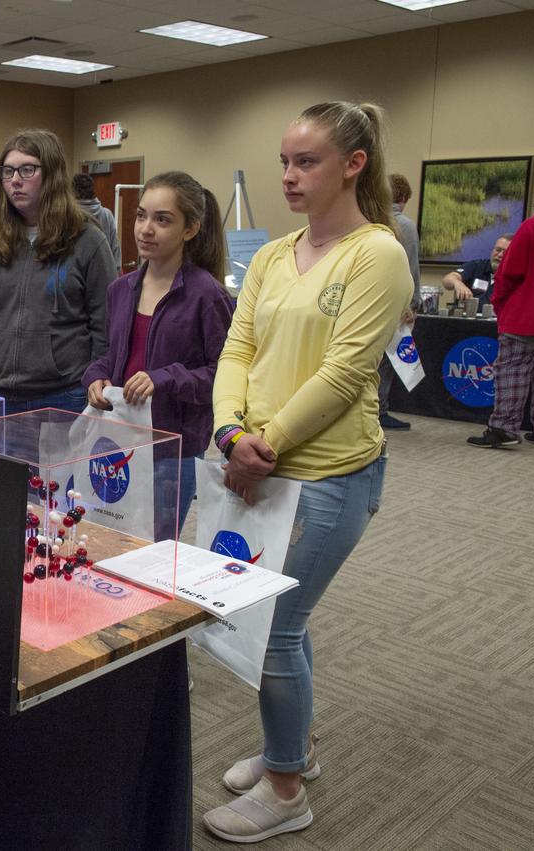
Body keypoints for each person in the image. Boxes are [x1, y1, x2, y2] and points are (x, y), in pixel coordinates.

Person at [201, 101, 412, 843]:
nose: (289, 176)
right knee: (285, 621)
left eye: (306, 162)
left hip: (328, 473)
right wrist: (230, 432)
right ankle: (295, 746)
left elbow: (345, 372)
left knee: (274, 627)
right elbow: (237, 349)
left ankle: (287, 788)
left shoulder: (377, 253)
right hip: (256, 462)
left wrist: (265, 444)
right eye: (284, 162)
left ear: (353, 165)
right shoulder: (270, 255)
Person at [82, 171, 233, 531]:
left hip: (171, 451)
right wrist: (96, 376)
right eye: (141, 216)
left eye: (162, 220)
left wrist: (164, 378)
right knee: (107, 540)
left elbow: (225, 377)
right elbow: (112, 355)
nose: (146, 229)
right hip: (118, 441)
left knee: (157, 550)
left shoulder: (206, 295)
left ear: (190, 229)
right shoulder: (120, 290)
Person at [0, 129, 113, 414]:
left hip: (64, 394)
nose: (15, 180)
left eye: (27, 170)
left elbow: (105, 325)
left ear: (52, 175)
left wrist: (97, 380)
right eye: (8, 171)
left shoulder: (88, 241)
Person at [467, 168, 534, 450]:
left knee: (512, 372)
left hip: (525, 317)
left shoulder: (533, 227)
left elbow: (508, 273)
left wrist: (500, 304)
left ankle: (504, 429)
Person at [377, 173, 422, 430]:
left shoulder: (368, 219)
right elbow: (410, 266)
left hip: (370, 300)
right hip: (395, 303)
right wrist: (412, 303)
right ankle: (380, 410)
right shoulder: (404, 225)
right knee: (387, 359)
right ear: (403, 197)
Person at [441, 233, 513, 310]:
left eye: (505, 252)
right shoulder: (477, 266)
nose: (499, 255)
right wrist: (457, 283)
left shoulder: (515, 276)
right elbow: (447, 280)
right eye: (498, 250)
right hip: (467, 316)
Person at [73, 172, 123, 271]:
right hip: (106, 274)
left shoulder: (70, 216)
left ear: (72, 193)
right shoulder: (106, 214)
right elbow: (115, 250)